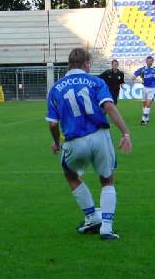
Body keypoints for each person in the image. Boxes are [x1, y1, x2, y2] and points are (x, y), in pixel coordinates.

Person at [46, 48, 132, 240]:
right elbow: (108, 106)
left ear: (69, 64)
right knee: (107, 179)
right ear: (86, 64)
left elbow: (52, 123)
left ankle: (91, 216)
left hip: (74, 140)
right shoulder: (96, 81)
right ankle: (106, 228)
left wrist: (56, 142)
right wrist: (125, 132)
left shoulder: (56, 88)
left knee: (71, 176)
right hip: (100, 136)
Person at [132, 56, 155, 125]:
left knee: (148, 103)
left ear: (152, 61)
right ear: (146, 61)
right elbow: (134, 76)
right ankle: (147, 118)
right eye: (148, 61)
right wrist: (134, 79)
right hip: (145, 88)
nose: (149, 62)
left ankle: (143, 120)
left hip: (153, 88)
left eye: (151, 61)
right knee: (144, 104)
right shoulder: (142, 69)